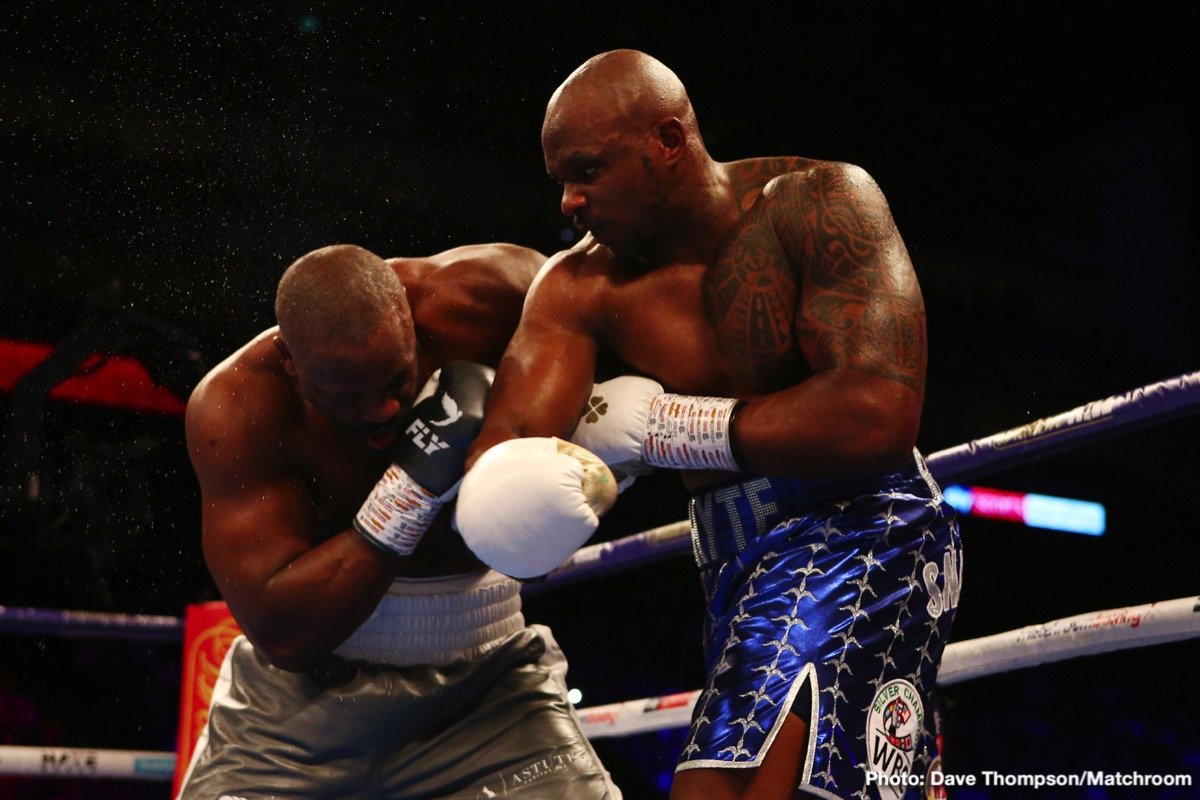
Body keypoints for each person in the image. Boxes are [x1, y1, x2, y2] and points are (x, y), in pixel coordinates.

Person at [456, 50, 962, 800]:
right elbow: (499, 472)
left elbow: (877, 411)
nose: (567, 202)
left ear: (667, 141)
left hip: (862, 522)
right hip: (731, 562)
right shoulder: (578, 288)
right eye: (561, 179)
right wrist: (540, 489)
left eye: (587, 171)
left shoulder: (818, 204)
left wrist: (665, 427)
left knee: (723, 788)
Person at [179, 242, 622, 799]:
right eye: (350, 396)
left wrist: (614, 428)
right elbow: (284, 635)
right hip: (295, 717)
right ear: (292, 362)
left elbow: (615, 311)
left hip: (489, 693)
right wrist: (414, 483)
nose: (384, 410)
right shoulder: (240, 403)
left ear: (411, 325)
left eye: (396, 379)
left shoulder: (491, 298)